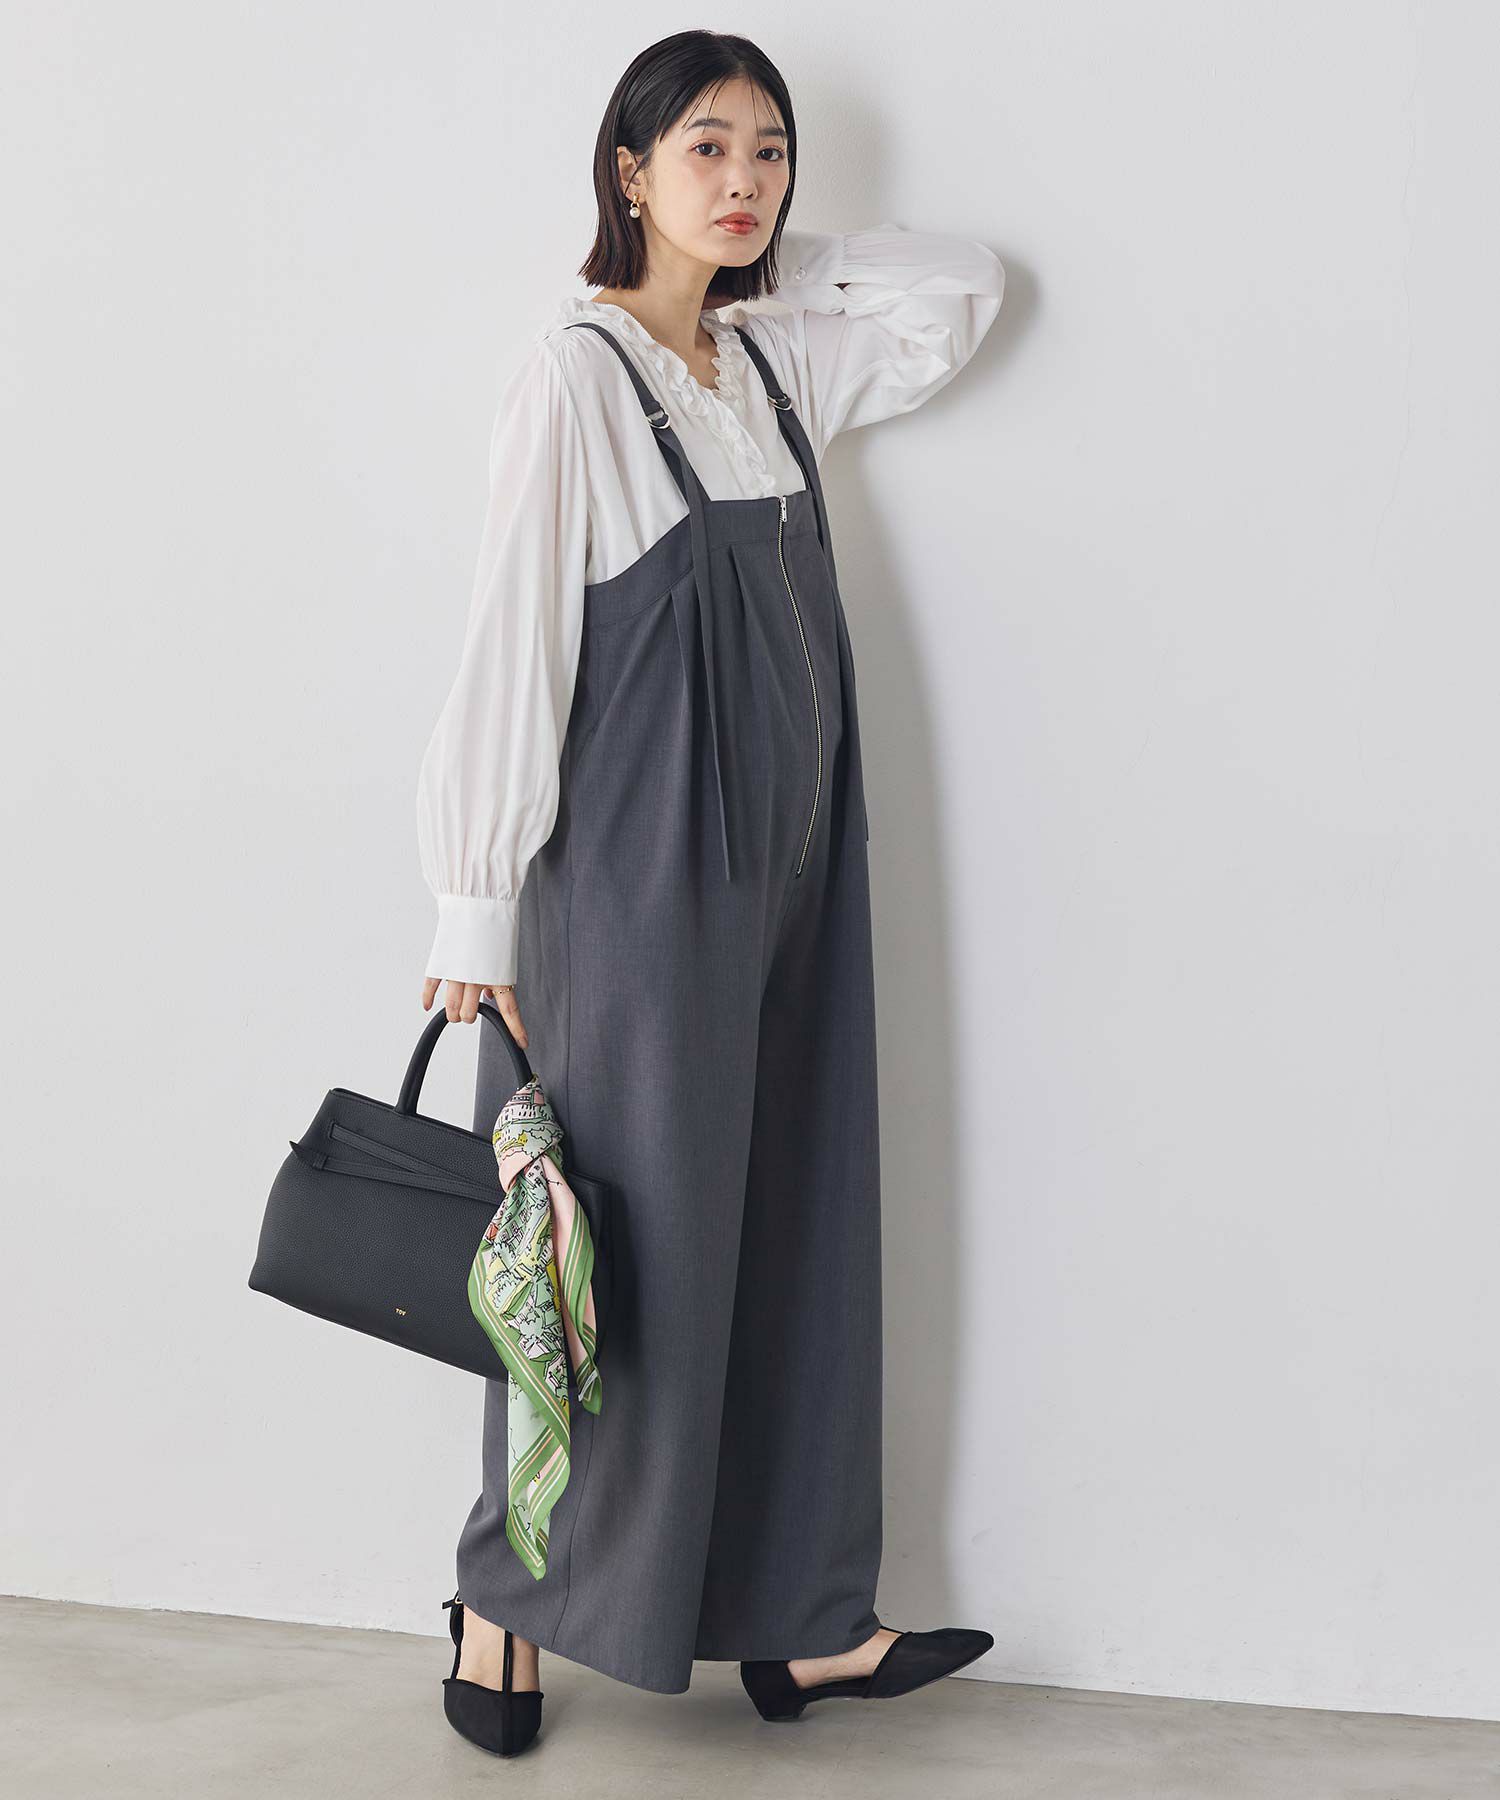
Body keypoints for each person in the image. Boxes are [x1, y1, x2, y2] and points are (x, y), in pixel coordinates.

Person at [415, 29, 1005, 1758]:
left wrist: (755, 262)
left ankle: (800, 1618)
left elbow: (960, 294)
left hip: (802, 859)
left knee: (803, 1220)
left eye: (769, 151)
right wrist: (475, 905)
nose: (744, 179)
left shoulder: (767, 360)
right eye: (703, 150)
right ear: (628, 168)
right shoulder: (578, 376)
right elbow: (512, 642)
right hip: (636, 880)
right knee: (606, 1255)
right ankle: (503, 1601)